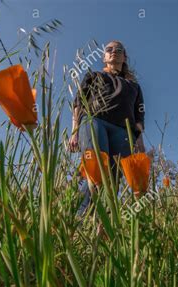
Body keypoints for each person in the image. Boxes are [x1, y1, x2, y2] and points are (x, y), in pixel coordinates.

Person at [68, 40, 146, 215]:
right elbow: (79, 103)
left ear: (124, 57)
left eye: (119, 50)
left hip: (124, 131)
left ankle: (102, 226)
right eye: (109, 49)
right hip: (94, 121)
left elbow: (139, 116)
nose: (114, 51)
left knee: (113, 180)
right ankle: (80, 219)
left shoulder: (134, 86)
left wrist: (140, 142)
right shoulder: (94, 76)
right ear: (104, 57)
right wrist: (74, 132)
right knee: (95, 171)